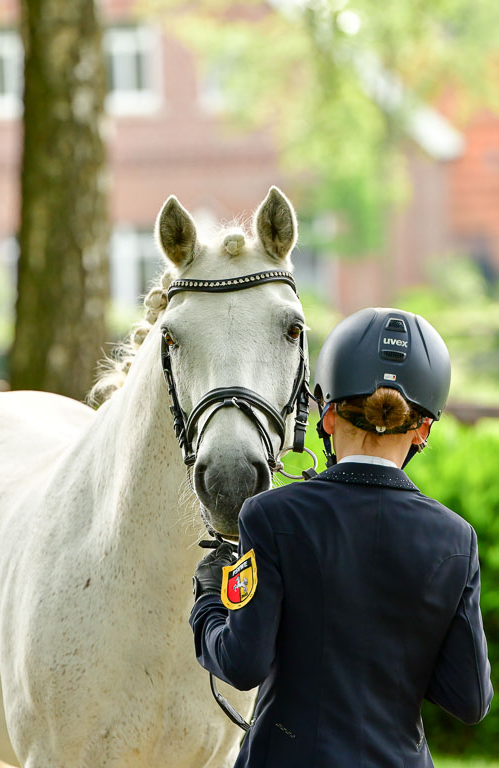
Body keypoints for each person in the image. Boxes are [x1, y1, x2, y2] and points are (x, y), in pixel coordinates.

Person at [190, 307, 493, 768]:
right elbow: (469, 699)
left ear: (328, 417)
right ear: (424, 430)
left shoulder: (270, 516)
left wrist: (208, 600)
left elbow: (241, 664)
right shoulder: (455, 539)